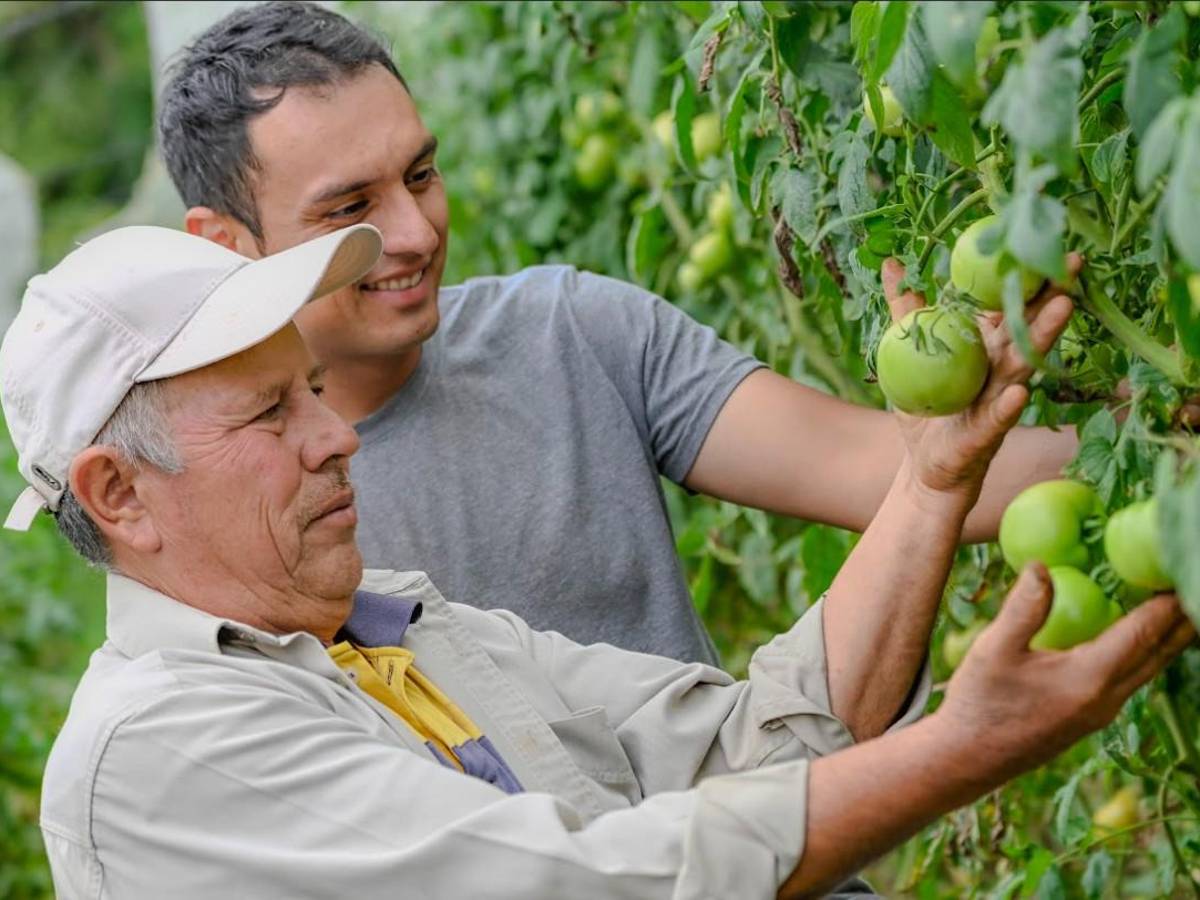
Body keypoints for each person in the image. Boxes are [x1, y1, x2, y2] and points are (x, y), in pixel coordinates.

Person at [5, 225, 1191, 899]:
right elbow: (591, 888)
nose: (335, 436)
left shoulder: (404, 634)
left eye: (312, 392)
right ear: (120, 494)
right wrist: (968, 748)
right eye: (270, 417)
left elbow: (754, 744)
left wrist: (934, 482)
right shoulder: (162, 753)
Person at [157, 1, 1084, 665]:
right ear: (225, 243)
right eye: (350, 208)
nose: (414, 232)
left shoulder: (569, 332)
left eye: (423, 174)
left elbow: (883, 464)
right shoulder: (233, 519)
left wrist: (1154, 442)